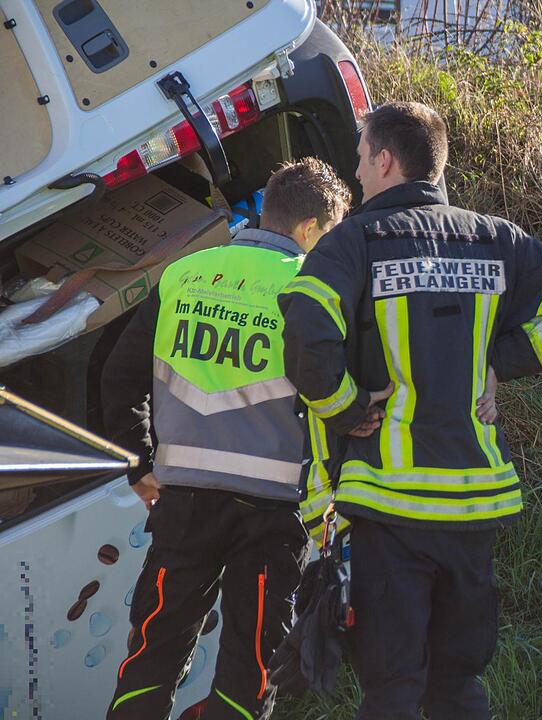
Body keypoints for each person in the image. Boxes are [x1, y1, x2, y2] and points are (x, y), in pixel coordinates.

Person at [278, 101, 542, 720]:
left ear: (385, 161)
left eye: (361, 160)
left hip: (391, 505)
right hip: (473, 507)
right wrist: (501, 361)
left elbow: (305, 333)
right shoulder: (497, 239)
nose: (357, 175)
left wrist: (345, 408)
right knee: (457, 686)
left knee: (392, 688)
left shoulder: (352, 242)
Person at [101, 157, 352, 720]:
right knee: (248, 672)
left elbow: (117, 376)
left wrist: (140, 463)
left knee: (151, 657)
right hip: (273, 512)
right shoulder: (314, 290)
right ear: (310, 227)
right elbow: (338, 393)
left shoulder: (184, 274)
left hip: (183, 504)